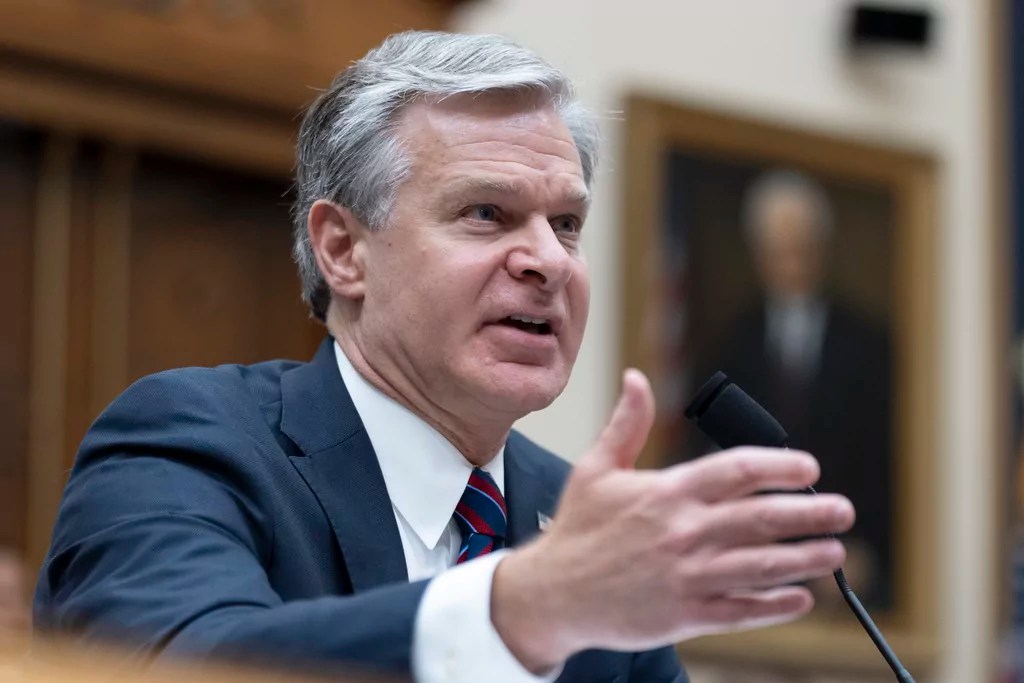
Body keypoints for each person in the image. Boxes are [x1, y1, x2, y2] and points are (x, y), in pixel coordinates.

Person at [33, 32, 855, 683]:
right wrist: (517, 610)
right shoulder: (190, 441)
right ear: (344, 250)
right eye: (487, 213)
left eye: (566, 224)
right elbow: (176, 665)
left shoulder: (582, 524)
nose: (549, 260)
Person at [696, 169, 892, 608]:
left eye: (801, 248)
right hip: (753, 551)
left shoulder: (866, 345)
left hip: (843, 554)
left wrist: (862, 548)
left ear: (822, 248)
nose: (790, 264)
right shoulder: (734, 342)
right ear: (758, 253)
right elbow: (710, 450)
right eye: (778, 251)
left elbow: (881, 459)